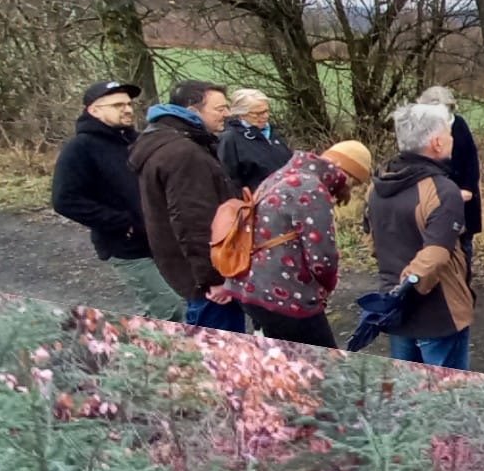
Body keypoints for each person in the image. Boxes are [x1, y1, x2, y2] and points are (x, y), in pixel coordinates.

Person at [50, 80, 185, 323]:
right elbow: (65, 200)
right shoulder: (80, 148)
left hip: (161, 240)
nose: (127, 109)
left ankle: (126, 336)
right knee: (170, 309)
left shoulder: (138, 141)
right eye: (117, 105)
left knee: (177, 304)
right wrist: (123, 223)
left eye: (129, 104)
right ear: (94, 110)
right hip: (126, 246)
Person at [222, 139, 371, 349]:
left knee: (290, 358)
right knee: (324, 362)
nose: (349, 190)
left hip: (251, 287)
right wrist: (326, 287)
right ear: (346, 173)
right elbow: (322, 259)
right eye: (353, 184)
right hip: (285, 296)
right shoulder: (311, 188)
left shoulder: (283, 174)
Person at [127, 79, 246, 333]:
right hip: (210, 281)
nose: (227, 114)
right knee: (220, 347)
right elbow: (194, 222)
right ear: (193, 110)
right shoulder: (183, 153)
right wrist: (214, 279)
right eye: (220, 108)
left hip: (193, 273)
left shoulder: (170, 142)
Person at [365, 100, 474, 372]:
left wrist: (394, 298)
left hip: (396, 312)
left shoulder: (378, 185)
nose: (452, 139)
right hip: (439, 315)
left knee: (407, 389)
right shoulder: (443, 190)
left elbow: (373, 243)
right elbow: (435, 256)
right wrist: (407, 290)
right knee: (447, 392)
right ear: (436, 143)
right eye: (448, 133)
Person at [417, 86, 482, 275]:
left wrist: (468, 188)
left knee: (464, 241)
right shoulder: (421, 130)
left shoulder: (459, 125)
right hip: (432, 192)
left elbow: (471, 159)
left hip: (462, 192)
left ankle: (464, 279)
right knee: (435, 238)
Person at [216, 88, 292, 196]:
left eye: (266, 111)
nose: (265, 116)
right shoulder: (230, 138)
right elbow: (229, 178)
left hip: (286, 196)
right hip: (257, 200)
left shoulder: (273, 133)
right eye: (258, 113)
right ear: (242, 114)